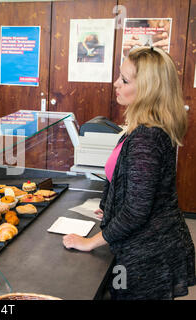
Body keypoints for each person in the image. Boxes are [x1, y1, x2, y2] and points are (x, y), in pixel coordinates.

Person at [63, 47, 195, 300]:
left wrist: (90, 242)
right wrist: (111, 205)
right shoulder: (145, 128)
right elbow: (134, 186)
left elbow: (137, 211)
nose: (116, 83)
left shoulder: (146, 138)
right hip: (152, 241)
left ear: (147, 89)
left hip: (148, 252)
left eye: (124, 80)